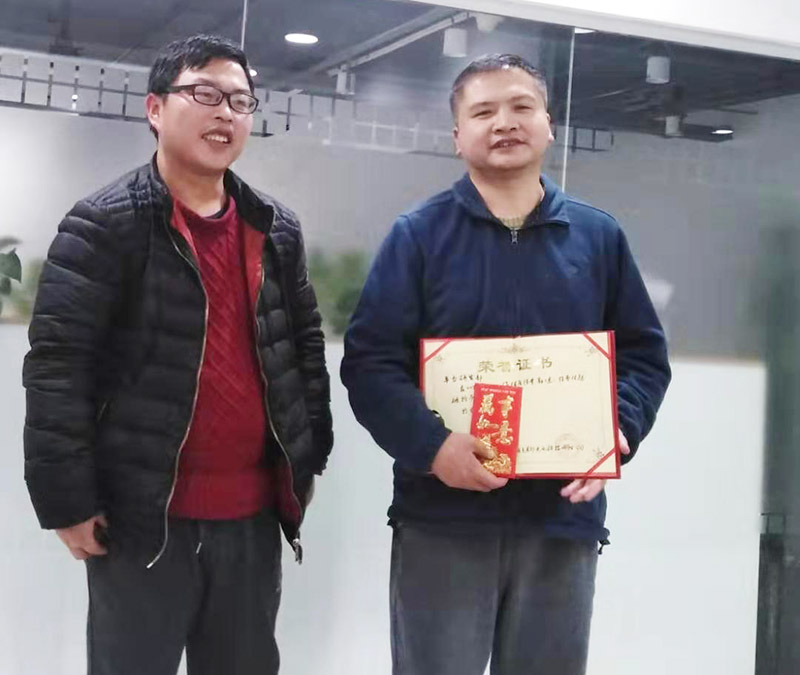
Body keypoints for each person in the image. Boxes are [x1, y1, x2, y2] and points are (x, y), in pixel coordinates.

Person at [341, 53, 670, 675]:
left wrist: (616, 432)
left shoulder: (598, 236)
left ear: (549, 125)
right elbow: (370, 363)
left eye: (522, 106)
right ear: (457, 135)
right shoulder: (418, 235)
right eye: (483, 111)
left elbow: (644, 357)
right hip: (443, 516)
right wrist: (433, 447)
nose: (504, 122)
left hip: (562, 518)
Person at [22, 34, 332, 675]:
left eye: (240, 101)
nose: (225, 113)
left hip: (251, 517)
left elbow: (302, 346)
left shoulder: (275, 227)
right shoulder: (105, 224)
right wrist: (66, 500)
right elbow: (58, 368)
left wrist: (309, 457)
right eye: (205, 94)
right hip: (143, 519)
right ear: (156, 108)